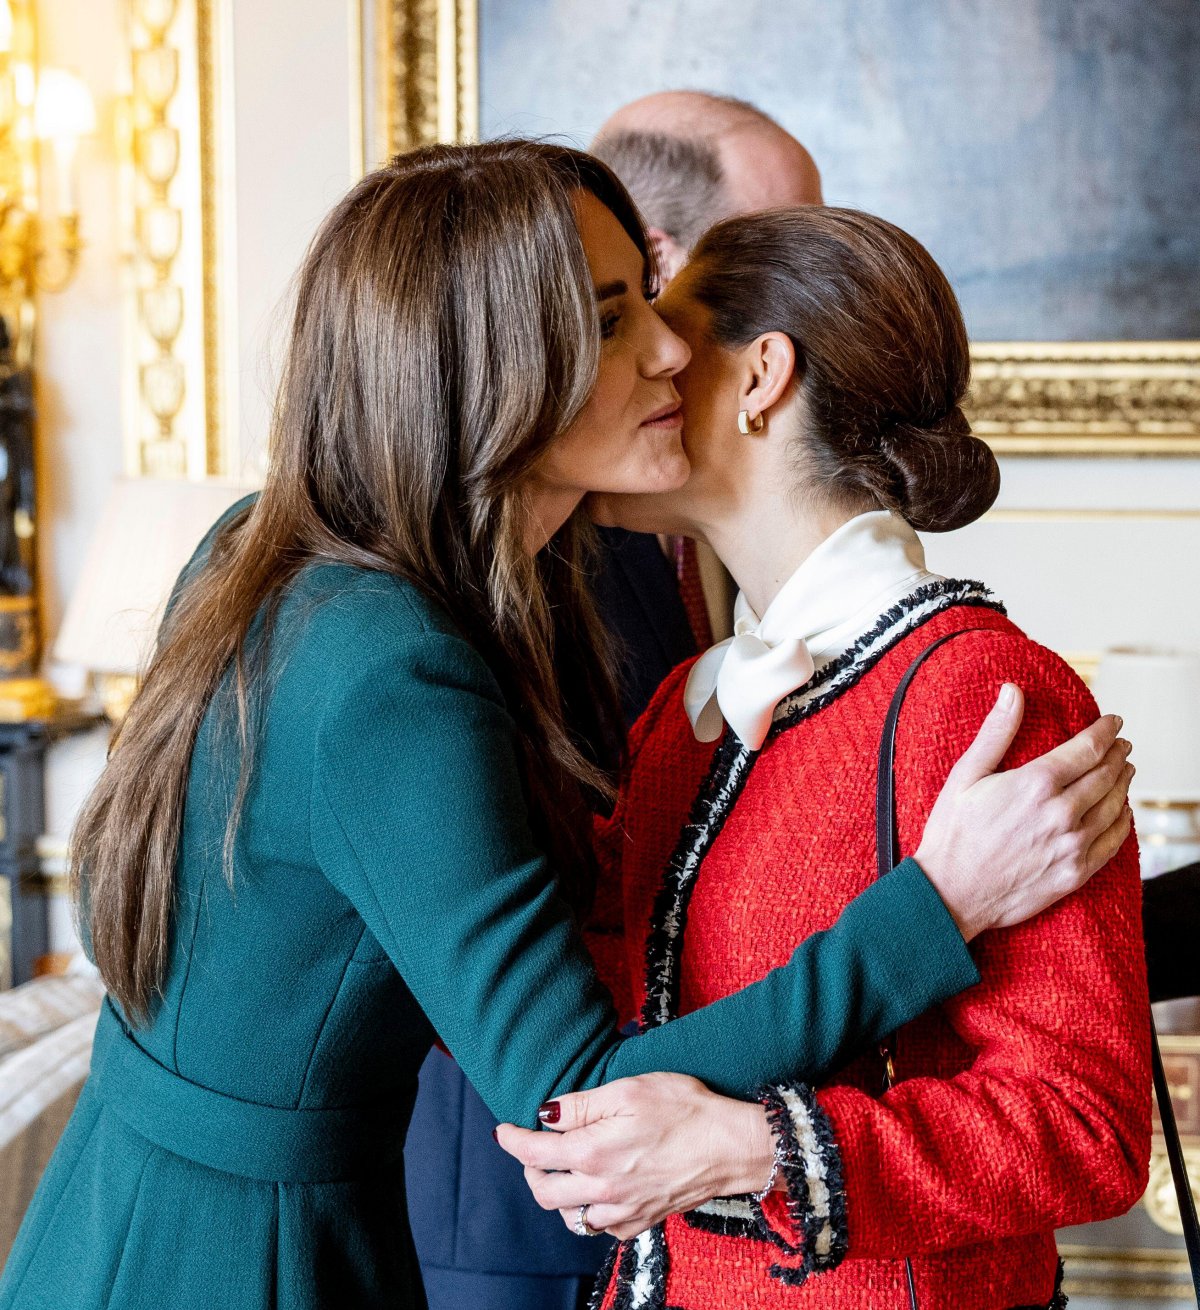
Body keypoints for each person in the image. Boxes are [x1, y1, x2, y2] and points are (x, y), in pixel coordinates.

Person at [0, 145, 1130, 1310]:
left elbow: (1079, 1120)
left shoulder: (276, 548)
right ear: (491, 365)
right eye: (612, 316)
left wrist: (764, 1143)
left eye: (651, 302)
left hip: (121, 1217)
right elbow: (577, 1084)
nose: (671, 350)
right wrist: (931, 909)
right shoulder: (411, 669)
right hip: (245, 1261)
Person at [497, 206, 1150, 1310]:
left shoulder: (983, 695)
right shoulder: (683, 712)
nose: (638, 370)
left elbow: (1085, 1129)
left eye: (668, 335)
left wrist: (758, 1149)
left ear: (762, 375)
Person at [405, 92, 831, 1310]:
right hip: (514, 1202)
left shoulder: (700, 515)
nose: (809, 287)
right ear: (662, 274)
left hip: (687, 1186)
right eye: (778, 247)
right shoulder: (507, 556)